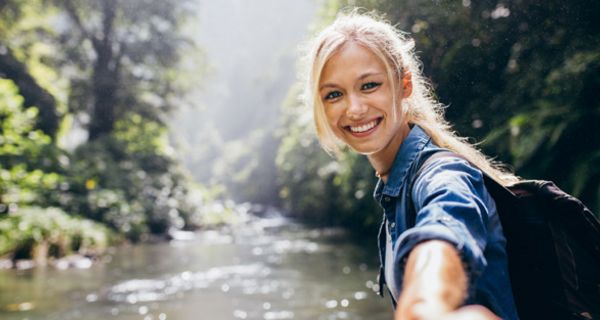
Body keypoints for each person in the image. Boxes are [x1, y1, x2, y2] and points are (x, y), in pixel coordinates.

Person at [302, 11, 520, 320]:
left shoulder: (443, 173)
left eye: (369, 85)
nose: (354, 109)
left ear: (404, 85)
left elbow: (446, 227)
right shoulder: (393, 187)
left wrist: (425, 303)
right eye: (334, 94)